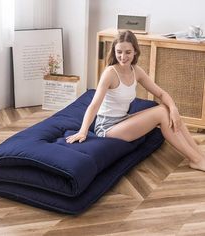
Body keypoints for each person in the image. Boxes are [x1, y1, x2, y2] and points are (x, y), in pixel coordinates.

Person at [66, 30, 205, 171]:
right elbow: (94, 105)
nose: (123, 56)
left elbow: (161, 94)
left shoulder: (136, 71)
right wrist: (83, 131)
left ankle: (199, 154)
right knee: (162, 113)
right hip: (106, 127)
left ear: (135, 52)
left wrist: (174, 110)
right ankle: (196, 160)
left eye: (128, 52)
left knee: (167, 109)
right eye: (119, 52)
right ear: (114, 51)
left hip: (122, 119)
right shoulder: (110, 73)